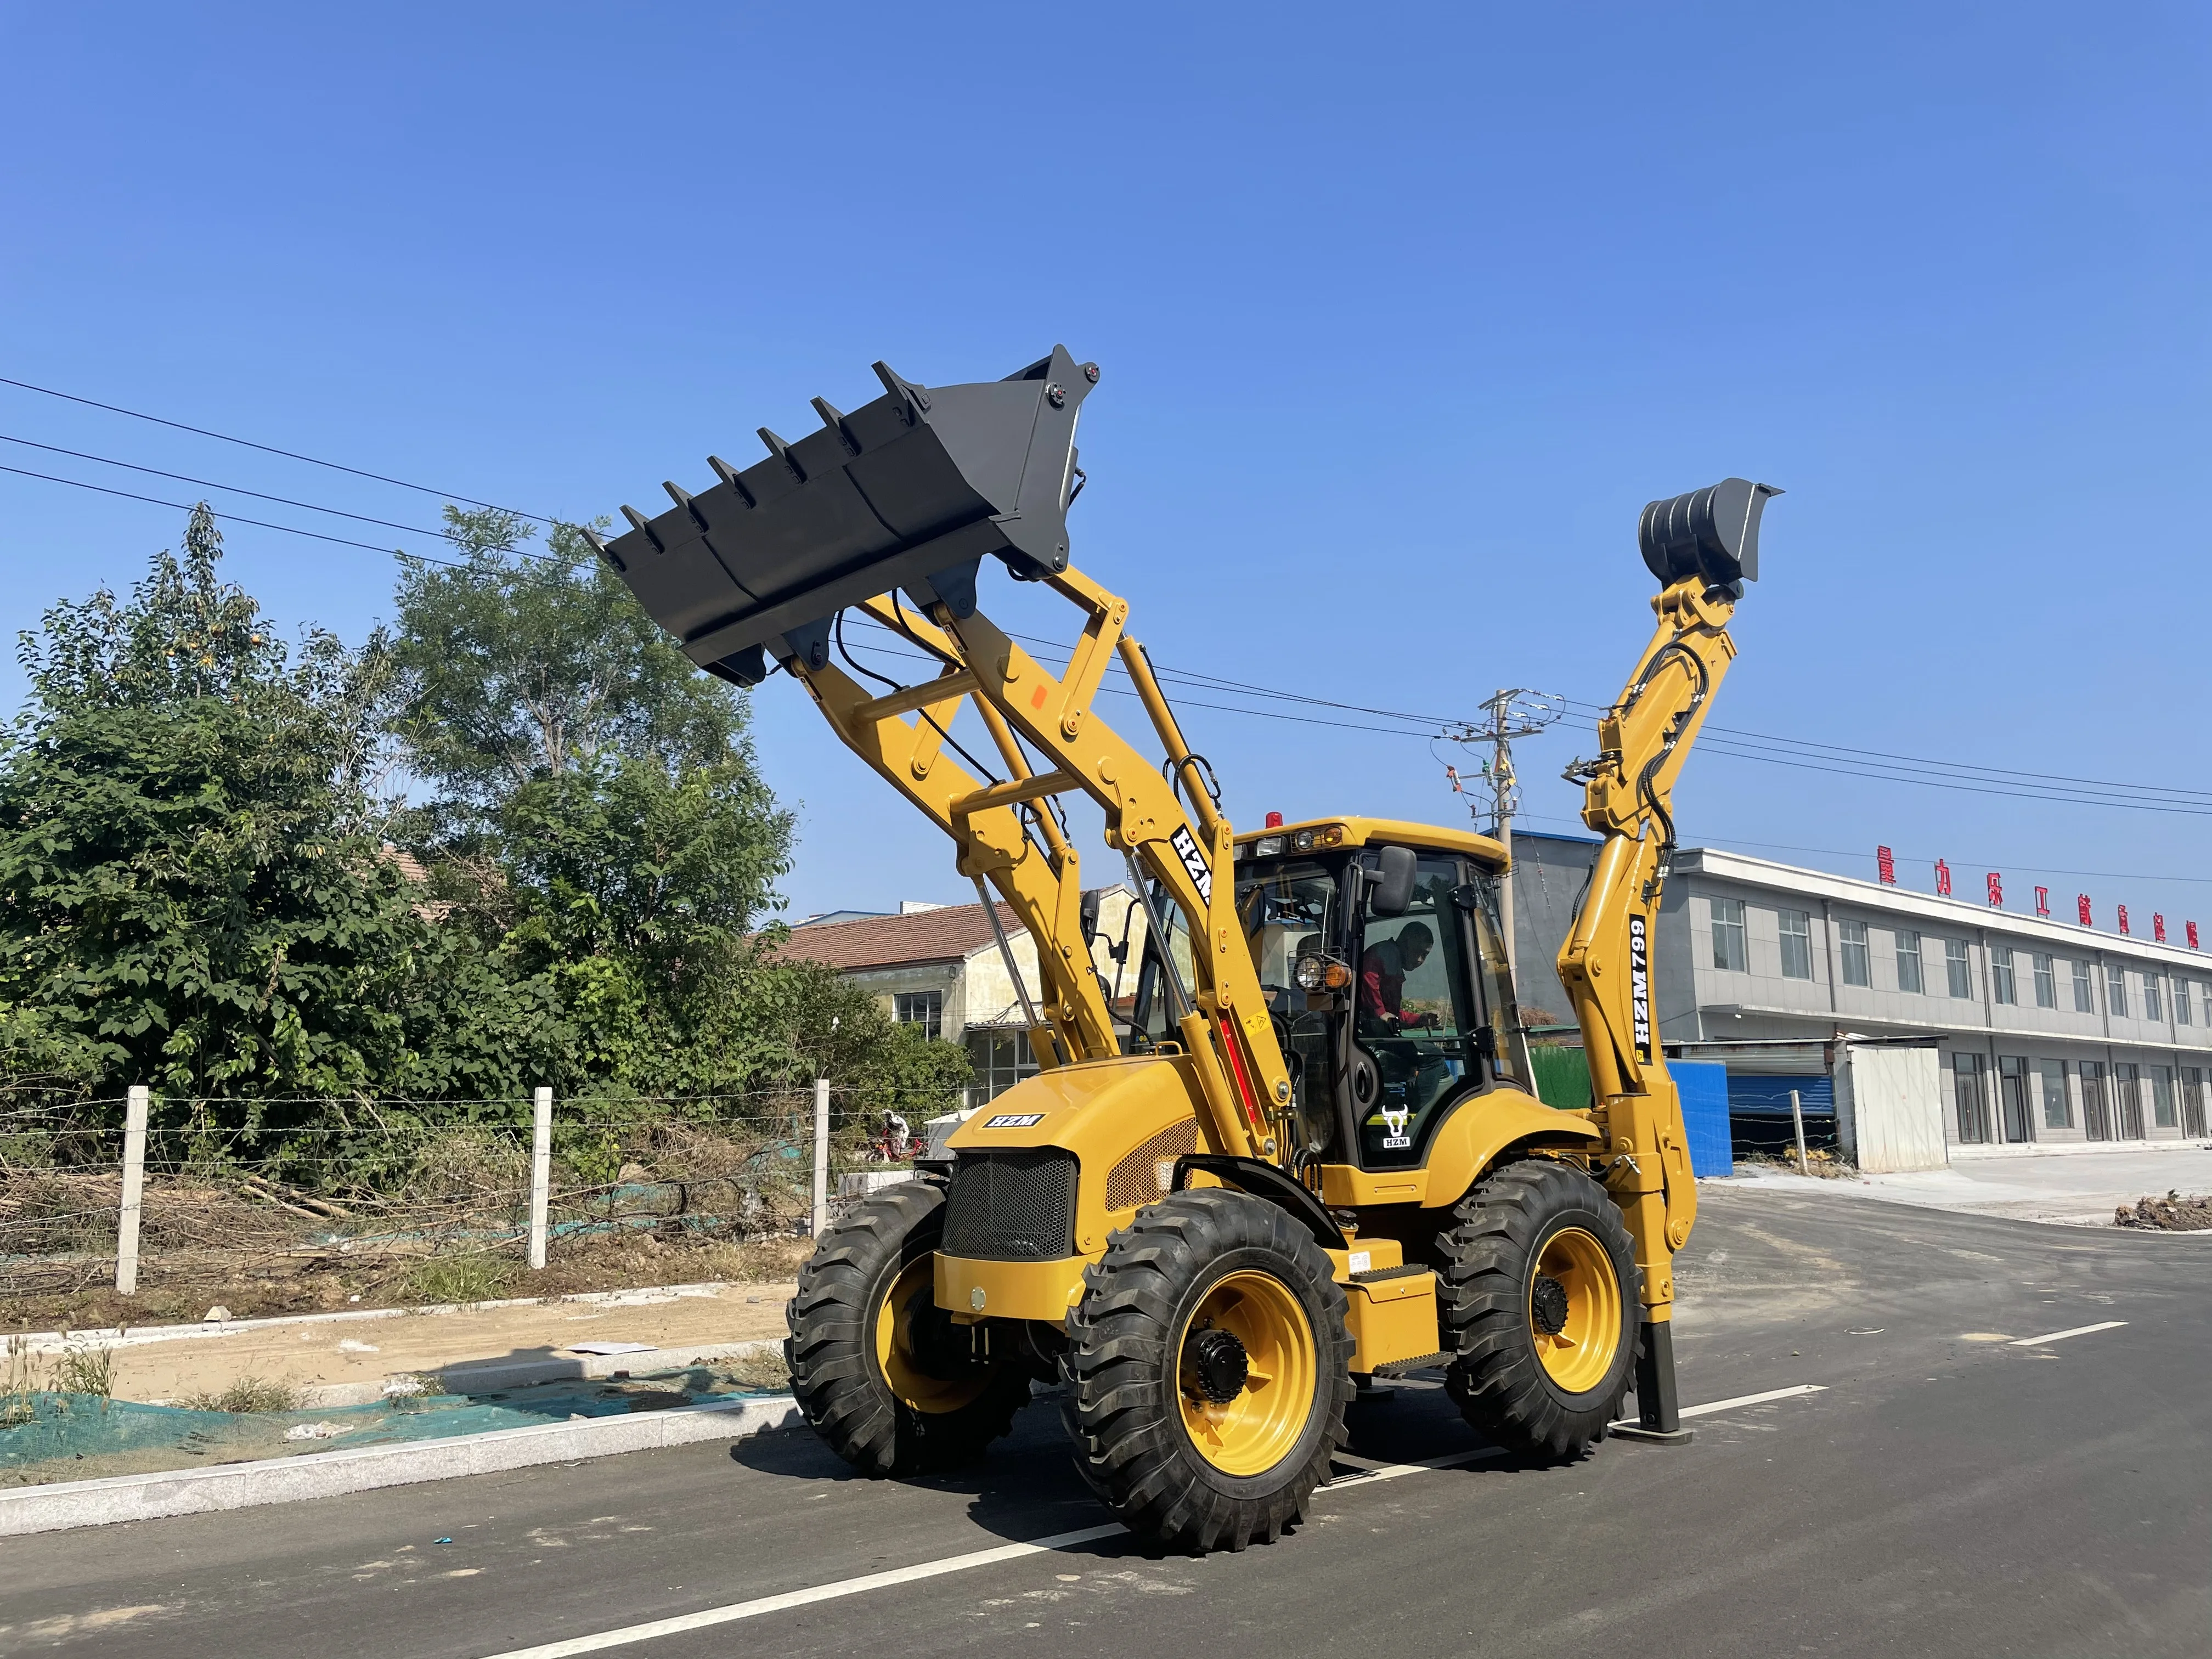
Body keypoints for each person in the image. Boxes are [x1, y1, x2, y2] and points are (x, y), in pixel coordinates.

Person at [1360, 923, 1440, 1030]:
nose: (1419, 960)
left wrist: (1419, 1019)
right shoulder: (1385, 954)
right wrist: (1380, 1012)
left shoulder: (1394, 963)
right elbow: (1367, 976)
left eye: (1424, 955)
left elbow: (1391, 1015)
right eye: (1417, 951)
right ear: (1404, 943)